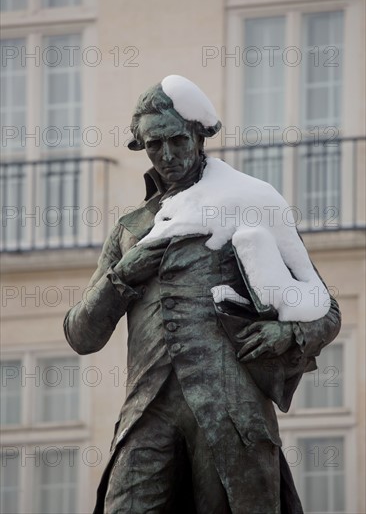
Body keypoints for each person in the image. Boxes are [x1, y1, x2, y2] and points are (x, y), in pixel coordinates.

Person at [64, 75, 341, 514]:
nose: (168, 155)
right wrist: (122, 276)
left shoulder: (247, 201)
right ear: (142, 146)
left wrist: (284, 334)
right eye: (155, 145)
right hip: (147, 414)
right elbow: (81, 335)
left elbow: (325, 310)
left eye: (177, 140)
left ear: (198, 135)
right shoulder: (131, 229)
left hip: (229, 412)